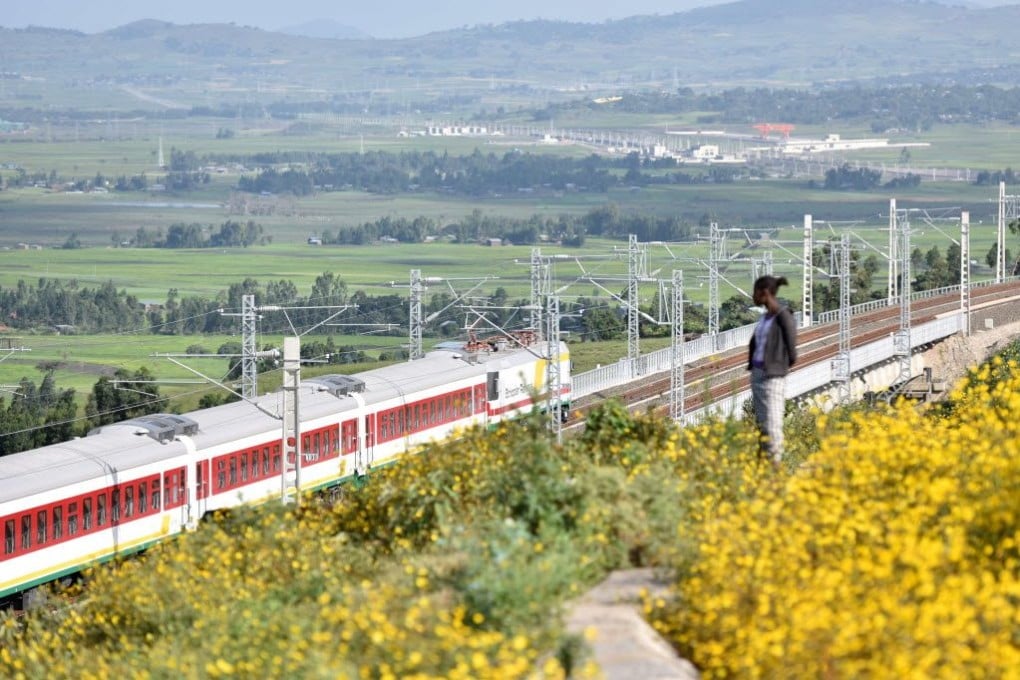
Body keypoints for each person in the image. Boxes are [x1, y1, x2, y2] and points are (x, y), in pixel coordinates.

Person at [747, 275, 798, 467]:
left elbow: (792, 351)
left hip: (772, 376)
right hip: (758, 375)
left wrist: (777, 367)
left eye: (755, 292)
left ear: (765, 293)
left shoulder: (784, 316)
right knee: (763, 425)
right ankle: (764, 465)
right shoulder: (765, 317)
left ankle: (775, 466)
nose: (753, 296)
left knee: (773, 424)